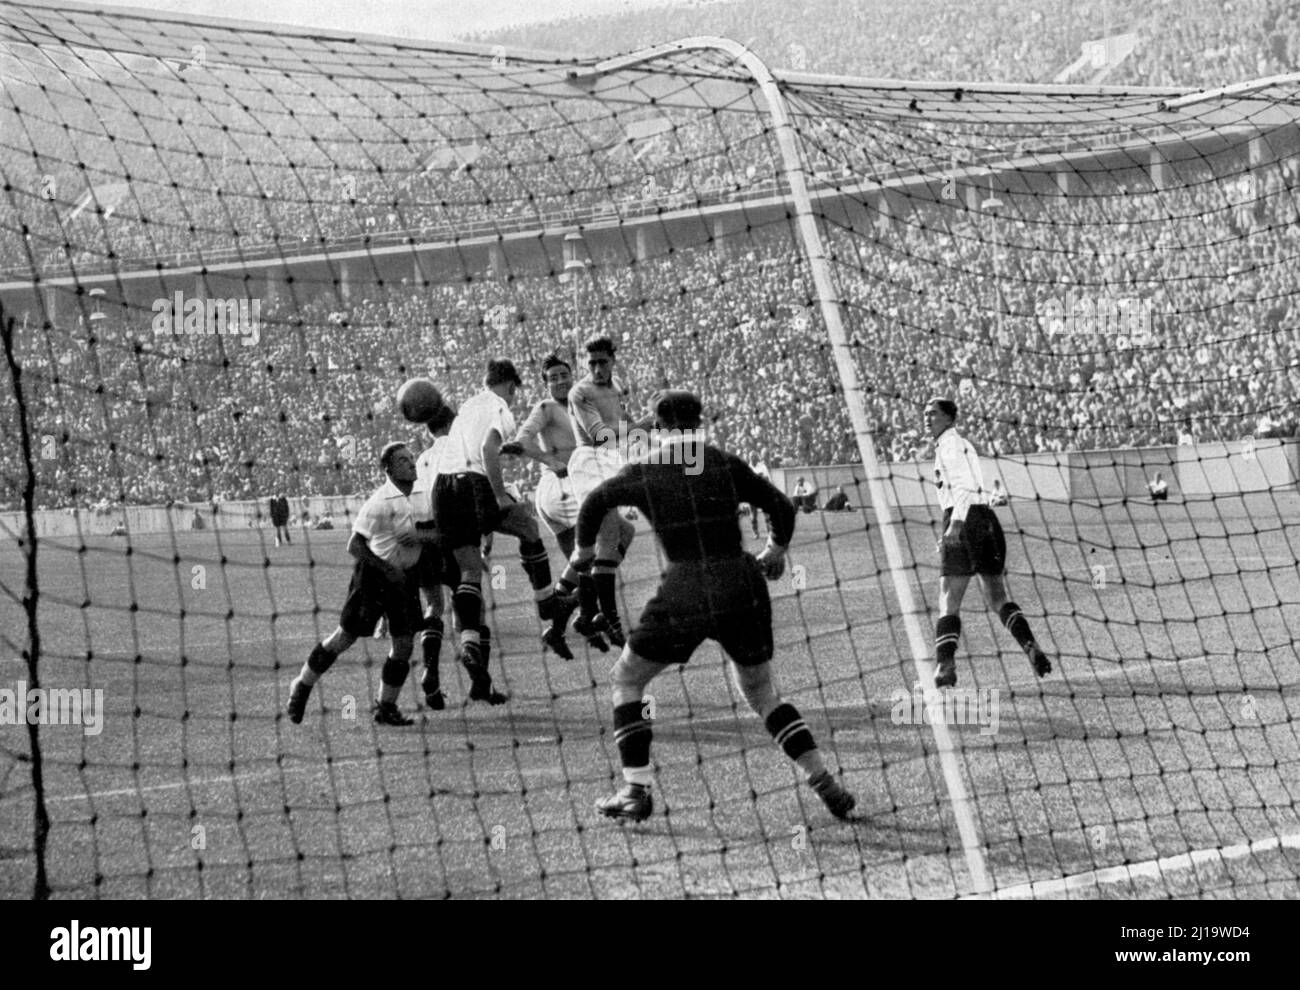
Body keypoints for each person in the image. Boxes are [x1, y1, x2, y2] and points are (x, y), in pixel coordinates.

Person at [572, 390, 856, 823]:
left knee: (627, 679)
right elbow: (781, 505)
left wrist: (581, 556)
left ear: (659, 424)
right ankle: (823, 779)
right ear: (699, 421)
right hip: (741, 582)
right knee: (762, 693)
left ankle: (635, 787)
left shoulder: (648, 468)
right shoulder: (723, 460)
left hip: (686, 586)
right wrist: (775, 551)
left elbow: (593, 503)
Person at [432, 358, 568, 703]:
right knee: (528, 527)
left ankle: (470, 645)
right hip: (473, 485)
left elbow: (470, 444)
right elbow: (486, 448)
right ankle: (546, 603)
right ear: (509, 385)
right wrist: (497, 495)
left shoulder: (467, 405)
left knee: (469, 568)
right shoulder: (500, 407)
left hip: (443, 489)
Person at [286, 442, 426, 727]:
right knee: (345, 637)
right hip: (374, 577)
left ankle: (385, 707)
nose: (411, 464)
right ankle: (301, 684)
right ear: (388, 469)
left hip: (403, 579)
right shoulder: (379, 502)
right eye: (403, 460)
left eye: (411, 458)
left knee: (403, 643)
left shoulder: (422, 496)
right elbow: (354, 544)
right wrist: (387, 568)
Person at [924, 397, 1052, 689]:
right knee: (997, 596)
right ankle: (1029, 644)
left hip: (964, 518)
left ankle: (945, 664)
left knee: (948, 599)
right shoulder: (963, 444)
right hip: (987, 520)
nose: (927, 418)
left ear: (948, 418)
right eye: (925, 414)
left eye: (933, 413)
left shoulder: (950, 445)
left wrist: (955, 524)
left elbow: (963, 485)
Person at [500, 353, 603, 656]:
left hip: (561, 493)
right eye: (553, 378)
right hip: (561, 488)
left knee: (582, 564)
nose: (560, 381)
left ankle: (559, 627)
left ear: (572, 376)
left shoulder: (582, 406)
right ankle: (575, 616)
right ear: (545, 385)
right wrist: (550, 460)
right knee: (603, 551)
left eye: (563, 375)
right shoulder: (545, 408)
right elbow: (522, 441)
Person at [551, 337, 642, 647]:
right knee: (607, 537)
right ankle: (608, 617)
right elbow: (600, 436)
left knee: (623, 534)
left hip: (610, 461)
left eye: (602, 361)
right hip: (590, 462)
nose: (597, 368)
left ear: (613, 360)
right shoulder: (580, 392)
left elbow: (624, 426)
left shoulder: (615, 386)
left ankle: (570, 602)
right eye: (591, 363)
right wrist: (645, 425)